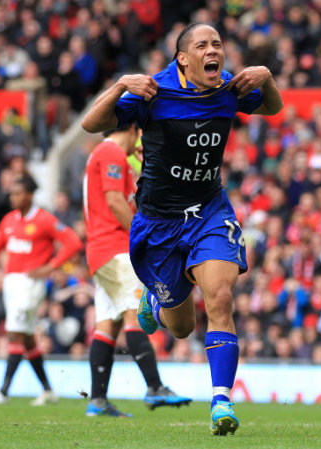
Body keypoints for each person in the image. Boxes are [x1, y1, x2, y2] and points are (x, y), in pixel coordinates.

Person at [82, 23, 283, 435]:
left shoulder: (230, 87)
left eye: (218, 44)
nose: (213, 50)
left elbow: (272, 108)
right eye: (202, 45)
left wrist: (268, 78)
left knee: (221, 297)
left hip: (210, 210)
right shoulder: (153, 91)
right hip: (159, 223)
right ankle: (156, 302)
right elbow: (89, 123)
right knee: (181, 327)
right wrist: (121, 85)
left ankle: (221, 401)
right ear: (183, 58)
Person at [83, 123, 191, 417]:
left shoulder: (104, 155)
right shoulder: (111, 153)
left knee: (108, 324)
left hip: (100, 251)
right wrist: (139, 240)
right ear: (133, 128)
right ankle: (155, 387)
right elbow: (115, 201)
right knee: (134, 313)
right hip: (115, 249)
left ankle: (97, 400)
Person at [0, 174, 83, 405]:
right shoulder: (9, 220)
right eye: (11, 193)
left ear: (30, 195)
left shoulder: (44, 219)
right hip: (11, 283)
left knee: (15, 332)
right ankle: (47, 390)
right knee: (27, 337)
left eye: (17, 193)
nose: (12, 197)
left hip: (30, 284)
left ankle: (2, 392)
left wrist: (50, 267)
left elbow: (74, 242)